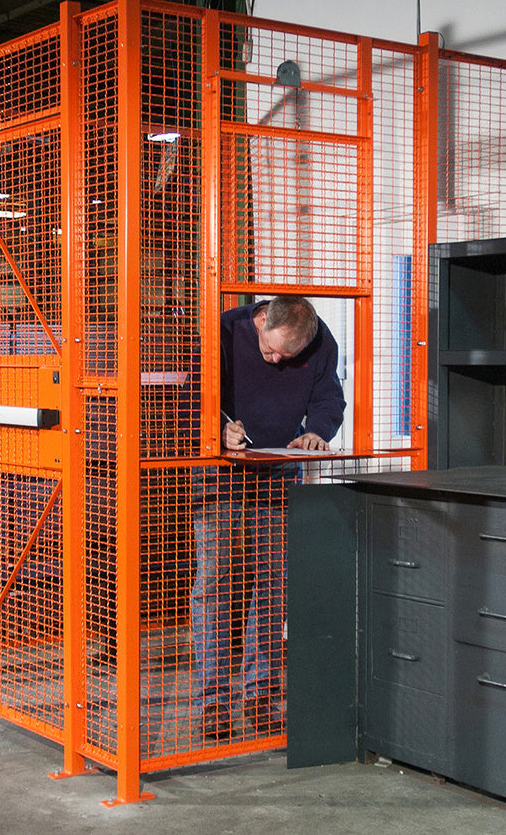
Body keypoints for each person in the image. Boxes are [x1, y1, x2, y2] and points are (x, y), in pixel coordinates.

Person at [192, 295, 344, 739]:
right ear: (261, 321)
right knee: (215, 583)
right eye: (271, 351)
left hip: (278, 472)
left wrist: (316, 431)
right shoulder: (223, 332)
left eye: (287, 357)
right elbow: (190, 396)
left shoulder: (320, 342)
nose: (277, 362)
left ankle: (262, 695)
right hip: (220, 473)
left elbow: (328, 397)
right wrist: (215, 429)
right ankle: (213, 700)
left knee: (273, 584)